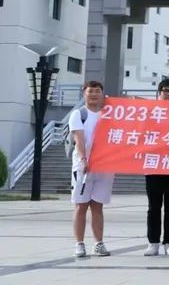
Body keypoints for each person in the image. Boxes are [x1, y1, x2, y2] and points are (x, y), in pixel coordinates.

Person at [71, 80, 114, 258]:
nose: (94, 94)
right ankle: (79, 244)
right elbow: (79, 138)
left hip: (104, 166)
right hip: (83, 166)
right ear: (84, 93)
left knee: (97, 206)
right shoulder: (79, 114)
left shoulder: (109, 114)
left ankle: (98, 243)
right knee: (81, 205)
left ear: (102, 94)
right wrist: (84, 159)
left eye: (97, 91)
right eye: (91, 91)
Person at [144, 79, 169, 256]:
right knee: (154, 206)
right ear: (159, 93)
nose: (168, 94)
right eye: (165, 90)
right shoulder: (150, 111)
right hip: (153, 164)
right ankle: (153, 242)